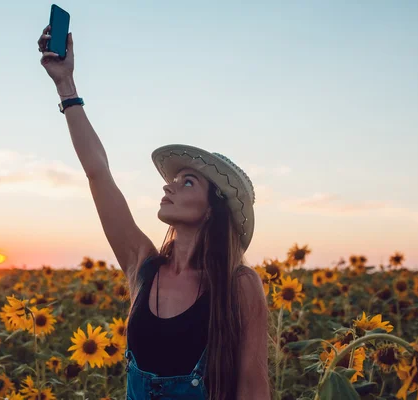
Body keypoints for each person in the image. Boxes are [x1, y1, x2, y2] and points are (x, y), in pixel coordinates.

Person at [38, 25, 271, 400]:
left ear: (214, 209)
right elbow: (98, 173)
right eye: (173, 178)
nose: (170, 185)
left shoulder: (239, 285)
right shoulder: (143, 266)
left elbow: (252, 386)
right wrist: (66, 87)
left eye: (188, 182)